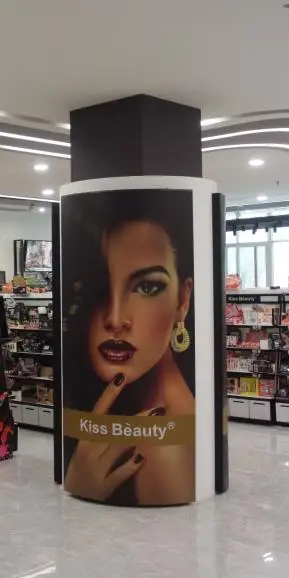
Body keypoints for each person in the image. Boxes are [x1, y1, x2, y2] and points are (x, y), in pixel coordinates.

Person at [63, 191, 195, 506]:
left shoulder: (162, 455)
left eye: (147, 287)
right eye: (98, 288)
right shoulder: (135, 407)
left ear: (182, 300)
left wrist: (79, 485)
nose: (116, 319)